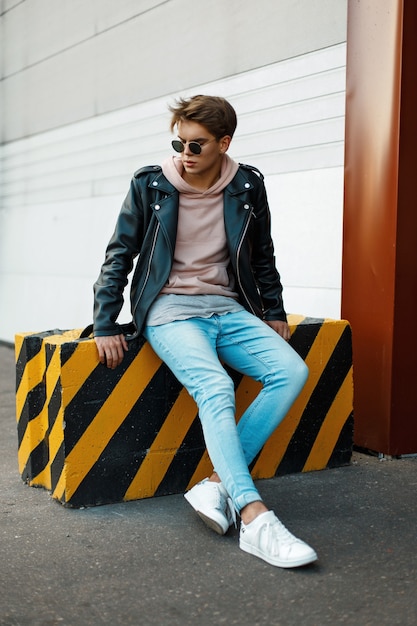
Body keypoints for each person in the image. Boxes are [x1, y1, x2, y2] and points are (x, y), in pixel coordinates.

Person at [93, 95, 317, 569]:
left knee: (291, 371)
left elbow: (262, 255)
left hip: (229, 309)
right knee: (214, 385)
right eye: (178, 142)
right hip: (170, 311)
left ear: (224, 143)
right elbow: (119, 255)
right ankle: (255, 517)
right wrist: (105, 322)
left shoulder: (247, 185)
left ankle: (217, 484)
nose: (185, 153)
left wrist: (273, 310)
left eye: (197, 145)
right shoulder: (151, 183)